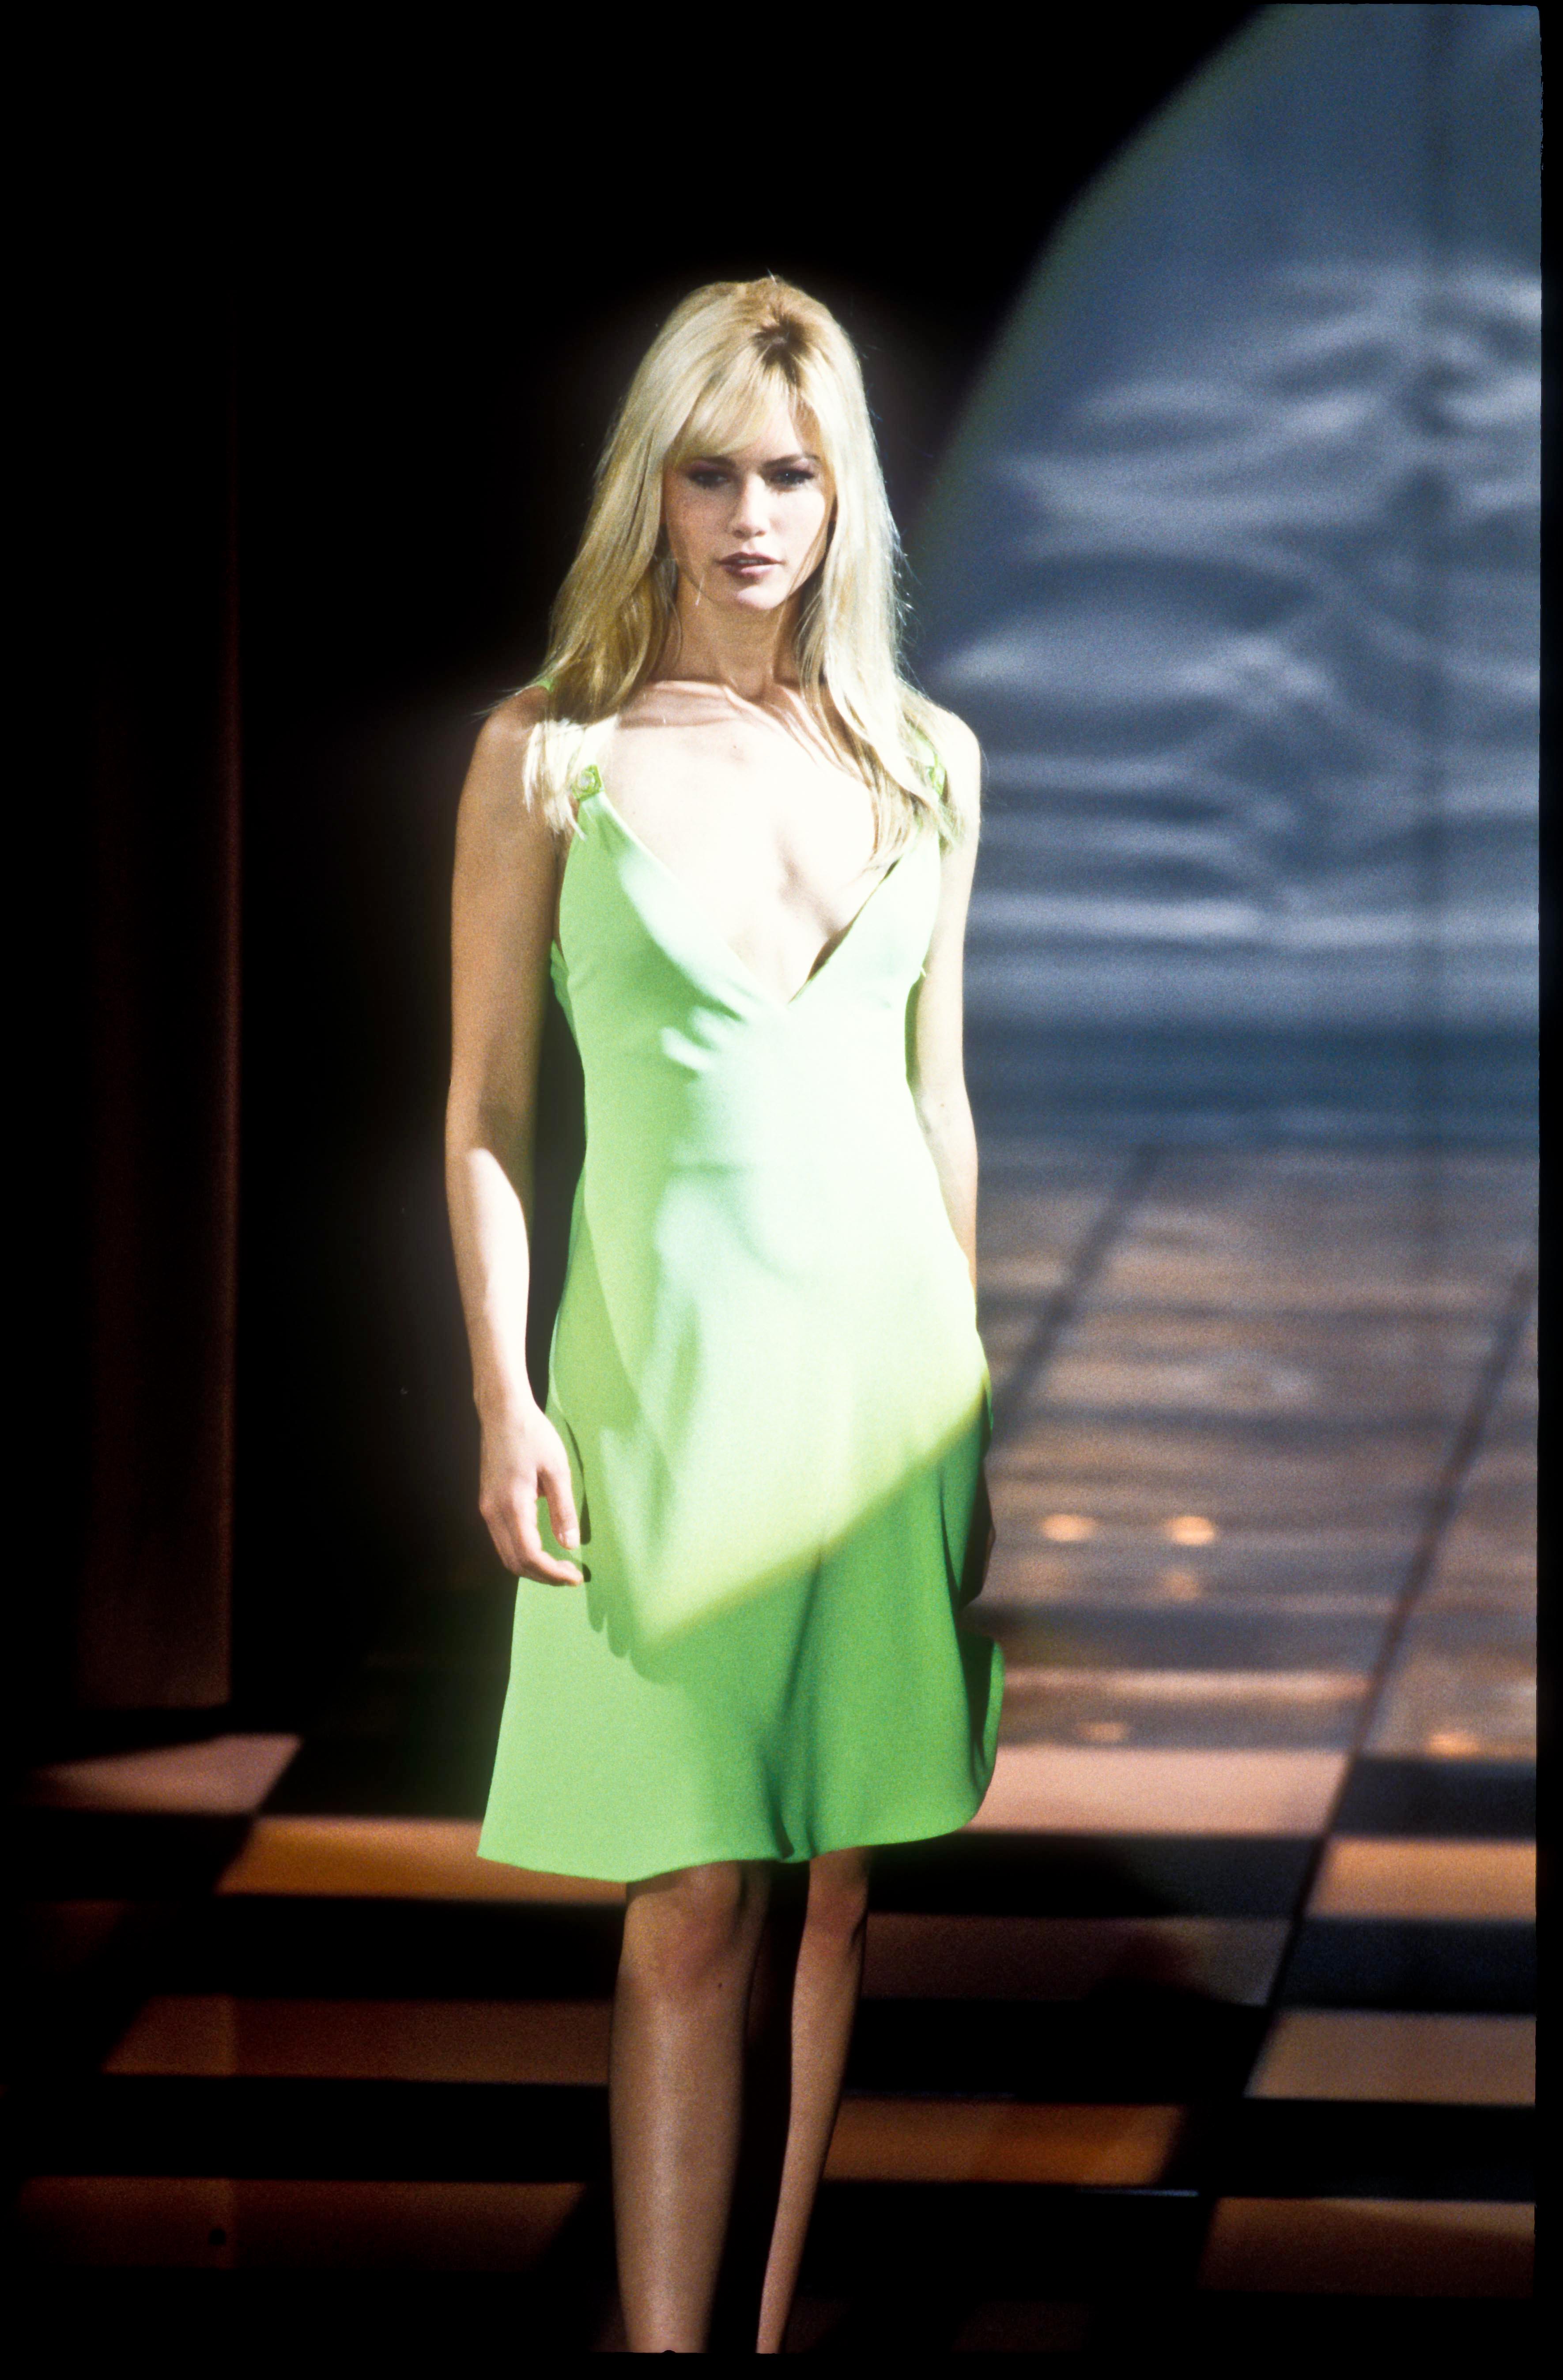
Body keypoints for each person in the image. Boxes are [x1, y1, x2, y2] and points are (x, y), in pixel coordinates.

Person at [445, 277, 1001, 2352]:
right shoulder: (550, 760)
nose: (752, 516)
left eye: (791, 473)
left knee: (839, 1890)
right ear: (652, 490)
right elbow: (484, 1112)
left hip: (887, 1391)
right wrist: (504, 1398)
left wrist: (973, 1407)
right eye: (710, 475)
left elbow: (941, 1110)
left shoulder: (928, 763)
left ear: (844, 494)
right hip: (663, 1387)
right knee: (690, 1896)